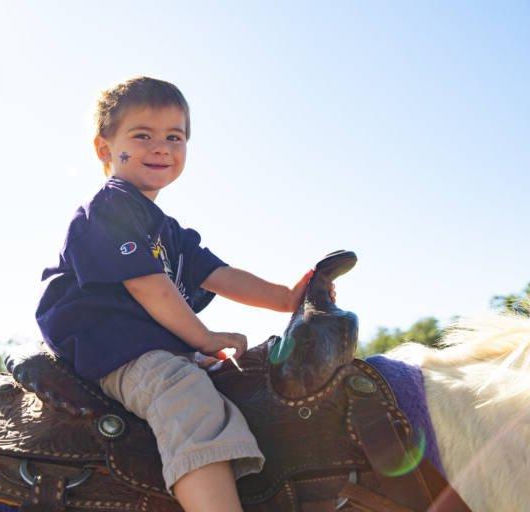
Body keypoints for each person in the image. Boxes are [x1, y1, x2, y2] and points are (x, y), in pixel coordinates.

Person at [36, 76, 325, 512]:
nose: (161, 147)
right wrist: (204, 339)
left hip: (152, 346)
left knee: (247, 380)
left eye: (174, 136)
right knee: (184, 393)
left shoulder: (167, 230)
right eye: (142, 135)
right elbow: (147, 285)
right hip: (112, 349)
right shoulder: (111, 207)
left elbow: (219, 274)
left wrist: (286, 297)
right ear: (104, 149)